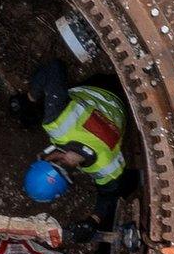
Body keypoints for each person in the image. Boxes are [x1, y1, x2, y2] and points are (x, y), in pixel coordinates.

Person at [10, 60, 140, 244]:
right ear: (49, 157)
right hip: (102, 87)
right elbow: (54, 67)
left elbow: (109, 195)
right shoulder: (58, 123)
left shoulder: (106, 168)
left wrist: (92, 221)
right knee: (32, 109)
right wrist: (29, 99)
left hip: (124, 109)